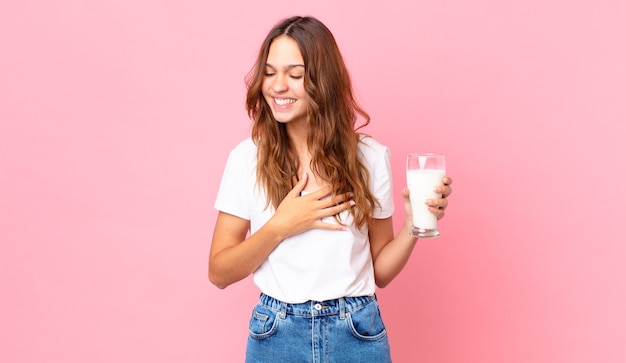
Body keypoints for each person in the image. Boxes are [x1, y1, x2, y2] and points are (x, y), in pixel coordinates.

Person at [209, 15, 452, 363]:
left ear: (324, 80)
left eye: (295, 74)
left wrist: (414, 225)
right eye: (269, 72)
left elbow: (379, 272)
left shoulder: (369, 157)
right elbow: (219, 272)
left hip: (355, 331)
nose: (278, 86)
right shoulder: (246, 159)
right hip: (276, 334)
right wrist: (280, 225)